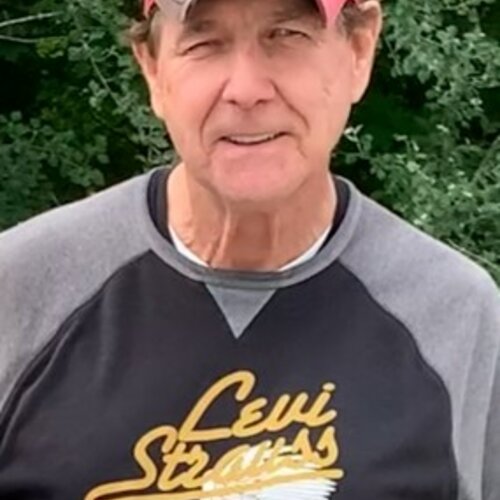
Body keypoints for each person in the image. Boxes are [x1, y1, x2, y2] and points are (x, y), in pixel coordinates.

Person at [0, 0, 498, 498]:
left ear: (359, 51)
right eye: (204, 44)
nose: (246, 89)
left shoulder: (455, 314)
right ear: (152, 70)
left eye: (286, 36)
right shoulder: (22, 286)